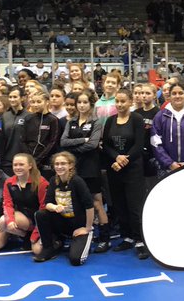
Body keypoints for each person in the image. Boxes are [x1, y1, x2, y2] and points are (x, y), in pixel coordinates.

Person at [59, 89, 110, 252]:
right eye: (79, 102)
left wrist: (74, 148)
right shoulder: (71, 122)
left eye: (85, 102)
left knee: (96, 202)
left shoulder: (96, 122)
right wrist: (83, 140)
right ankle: (83, 233)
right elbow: (63, 142)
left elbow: (93, 145)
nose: (81, 105)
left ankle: (105, 238)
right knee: (77, 201)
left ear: (91, 104)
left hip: (90, 166)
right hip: (75, 168)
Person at [103, 88, 148, 259]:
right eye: (117, 101)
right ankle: (127, 237)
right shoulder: (110, 120)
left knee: (134, 206)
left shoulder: (136, 119)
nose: (120, 104)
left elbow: (139, 145)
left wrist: (123, 160)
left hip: (133, 169)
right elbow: (106, 145)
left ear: (130, 102)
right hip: (115, 169)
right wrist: (116, 157)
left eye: (123, 101)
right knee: (120, 205)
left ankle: (140, 240)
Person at [32, 152, 95, 265]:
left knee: (76, 260)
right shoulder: (53, 180)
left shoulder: (77, 181)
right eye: (57, 164)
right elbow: (47, 203)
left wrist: (87, 228)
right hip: (62, 223)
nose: (59, 166)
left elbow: (89, 206)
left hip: (79, 226)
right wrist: (55, 207)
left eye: (63, 164)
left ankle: (85, 239)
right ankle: (49, 248)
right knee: (40, 214)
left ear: (70, 165)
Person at [0, 153, 48, 252]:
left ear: (30, 166)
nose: (17, 167)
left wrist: (35, 235)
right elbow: (7, 204)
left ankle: (51, 240)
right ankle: (22, 235)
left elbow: (44, 209)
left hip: (38, 221)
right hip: (21, 218)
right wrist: (10, 221)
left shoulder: (41, 183)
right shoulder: (9, 182)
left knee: (37, 251)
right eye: (15, 165)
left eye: (21, 164)